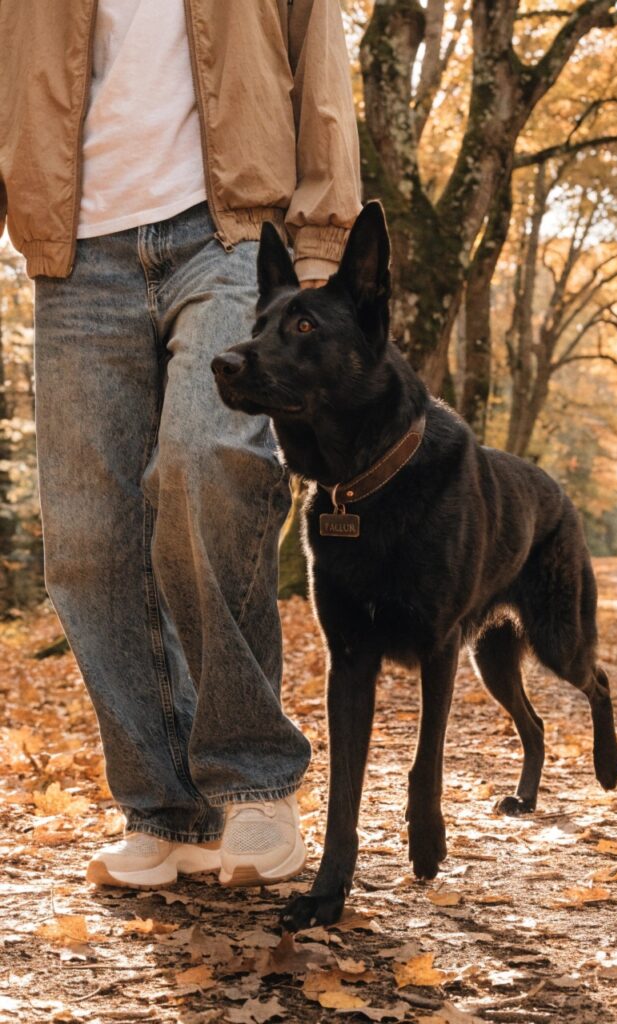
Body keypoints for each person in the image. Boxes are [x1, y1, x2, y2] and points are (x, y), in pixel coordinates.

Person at [0, 0, 362, 889]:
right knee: (88, 544)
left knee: (209, 463)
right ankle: (165, 810)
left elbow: (317, 53)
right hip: (77, 256)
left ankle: (254, 782)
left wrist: (321, 243)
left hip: (232, 233)